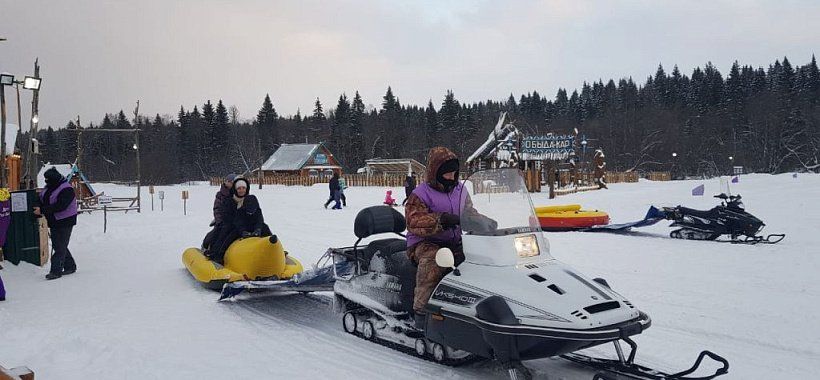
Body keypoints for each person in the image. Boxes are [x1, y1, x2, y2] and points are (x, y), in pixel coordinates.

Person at [405, 147, 495, 327]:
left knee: (484, 257)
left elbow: (469, 212)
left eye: (454, 173)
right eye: (447, 174)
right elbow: (413, 221)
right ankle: (421, 313)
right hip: (424, 243)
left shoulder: (460, 190)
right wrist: (441, 220)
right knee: (433, 261)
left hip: (454, 241)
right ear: (435, 172)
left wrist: (486, 223)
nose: (452, 177)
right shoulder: (420, 194)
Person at [208, 178, 272, 263]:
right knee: (229, 231)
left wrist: (258, 228)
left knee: (265, 227)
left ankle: (274, 249)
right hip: (233, 224)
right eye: (239, 188)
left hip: (249, 224)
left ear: (246, 189)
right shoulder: (229, 201)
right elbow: (232, 218)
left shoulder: (251, 199)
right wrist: (242, 230)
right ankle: (218, 253)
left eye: (243, 188)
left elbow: (258, 216)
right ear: (235, 189)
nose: (241, 190)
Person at [34, 167, 79, 280]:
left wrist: (43, 210)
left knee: (59, 246)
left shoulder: (67, 189)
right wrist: (38, 205)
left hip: (66, 220)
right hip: (54, 220)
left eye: (48, 179)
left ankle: (55, 271)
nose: (46, 181)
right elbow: (41, 198)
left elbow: (61, 206)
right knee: (59, 244)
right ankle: (70, 266)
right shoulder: (49, 187)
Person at [202, 173, 236, 250]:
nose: (231, 184)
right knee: (217, 233)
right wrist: (220, 220)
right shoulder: (221, 195)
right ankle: (208, 247)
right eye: (230, 182)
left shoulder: (239, 192)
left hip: (236, 220)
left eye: (233, 182)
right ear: (226, 182)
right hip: (223, 220)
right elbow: (217, 209)